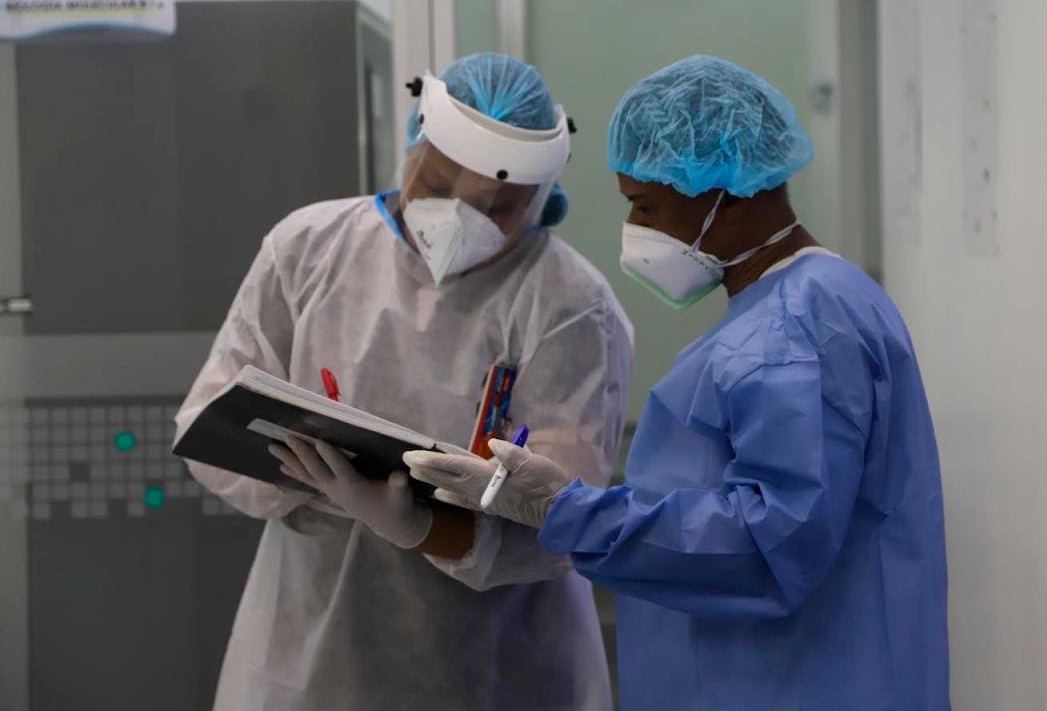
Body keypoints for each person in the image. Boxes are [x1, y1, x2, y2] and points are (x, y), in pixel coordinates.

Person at [405, 55, 950, 710]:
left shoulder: (794, 330)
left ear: (730, 192)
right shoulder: (807, 305)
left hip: (787, 683)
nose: (634, 233)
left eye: (647, 206)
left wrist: (566, 512)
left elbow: (767, 545)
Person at [176, 52, 633, 711]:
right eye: (441, 187)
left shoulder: (568, 303)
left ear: (540, 199)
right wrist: (305, 475)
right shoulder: (309, 249)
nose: (463, 219)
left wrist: (420, 527)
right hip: (318, 642)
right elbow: (211, 417)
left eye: (500, 206)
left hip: (497, 661)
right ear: (413, 143)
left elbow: (561, 523)